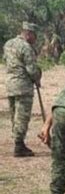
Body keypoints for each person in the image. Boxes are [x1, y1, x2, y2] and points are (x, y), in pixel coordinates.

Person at [3, 22, 42, 157]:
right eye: (34, 36)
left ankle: (17, 142)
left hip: (10, 84)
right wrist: (37, 78)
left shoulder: (8, 44)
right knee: (22, 117)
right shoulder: (26, 47)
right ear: (28, 33)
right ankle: (19, 146)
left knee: (14, 115)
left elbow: (6, 61)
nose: (35, 39)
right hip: (23, 86)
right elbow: (31, 69)